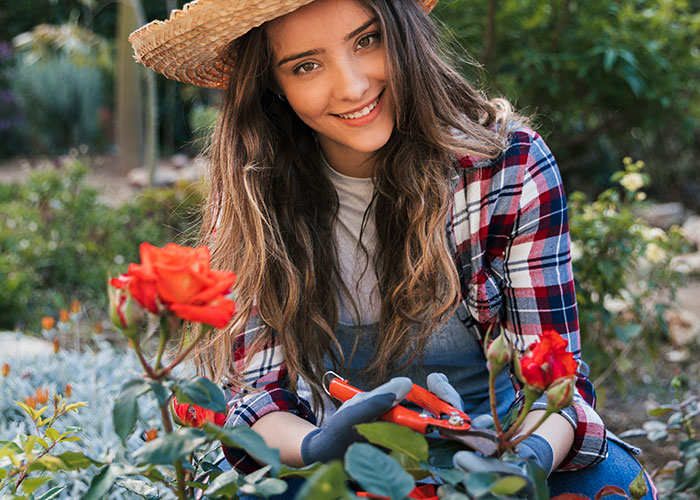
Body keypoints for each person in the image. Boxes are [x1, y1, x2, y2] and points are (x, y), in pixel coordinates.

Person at [129, 0, 656, 497]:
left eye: (368, 39)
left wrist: (527, 456)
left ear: (403, 30)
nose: (353, 86)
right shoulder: (253, 192)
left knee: (611, 483)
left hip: (490, 450)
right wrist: (317, 445)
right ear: (271, 85)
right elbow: (257, 397)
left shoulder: (507, 166)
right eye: (306, 66)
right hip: (331, 467)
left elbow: (556, 380)